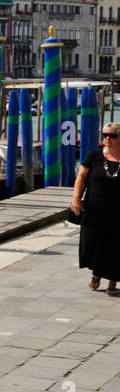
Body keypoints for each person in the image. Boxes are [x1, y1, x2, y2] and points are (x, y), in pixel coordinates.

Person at [73, 123, 120, 295]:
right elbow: (81, 177)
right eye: (104, 135)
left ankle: (113, 281)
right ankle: (97, 273)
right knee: (92, 242)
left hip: (117, 211)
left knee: (115, 245)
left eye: (112, 136)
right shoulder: (94, 155)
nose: (107, 138)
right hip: (94, 208)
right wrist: (76, 199)